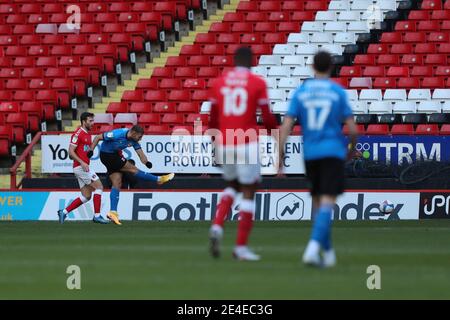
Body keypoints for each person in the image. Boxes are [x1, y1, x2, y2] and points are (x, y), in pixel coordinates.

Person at [278, 51, 358, 268]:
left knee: (318, 204)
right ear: (331, 67)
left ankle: (329, 254)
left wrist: (281, 153)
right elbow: (352, 128)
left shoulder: (301, 92)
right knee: (327, 203)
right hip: (332, 151)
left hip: (310, 153)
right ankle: (312, 250)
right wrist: (351, 148)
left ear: (313, 66)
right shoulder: (337, 92)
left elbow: (286, 126)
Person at [207, 47, 278, 261]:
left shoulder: (219, 82)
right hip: (247, 142)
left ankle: (218, 226)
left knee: (231, 185)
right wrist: (275, 135)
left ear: (233, 61)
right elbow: (266, 116)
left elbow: (213, 117)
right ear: (252, 62)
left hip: (224, 141)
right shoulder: (257, 82)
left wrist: (213, 140)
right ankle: (240, 248)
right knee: (249, 190)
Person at [90, 125, 175, 225]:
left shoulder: (134, 140)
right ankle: (158, 179)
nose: (140, 139)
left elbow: (140, 153)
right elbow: (98, 137)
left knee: (117, 183)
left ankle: (113, 212)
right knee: (133, 169)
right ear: (133, 133)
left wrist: (146, 162)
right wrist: (91, 150)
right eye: (139, 137)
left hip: (114, 155)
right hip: (108, 155)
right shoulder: (117, 134)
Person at [57, 112, 109, 224]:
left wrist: (89, 151)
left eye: (93, 120)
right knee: (99, 187)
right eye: (90, 121)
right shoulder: (78, 133)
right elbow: (70, 152)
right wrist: (82, 162)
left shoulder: (87, 134)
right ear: (83, 121)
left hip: (82, 167)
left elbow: (83, 149)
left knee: (86, 196)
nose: (93, 123)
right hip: (81, 167)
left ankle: (64, 212)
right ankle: (97, 215)